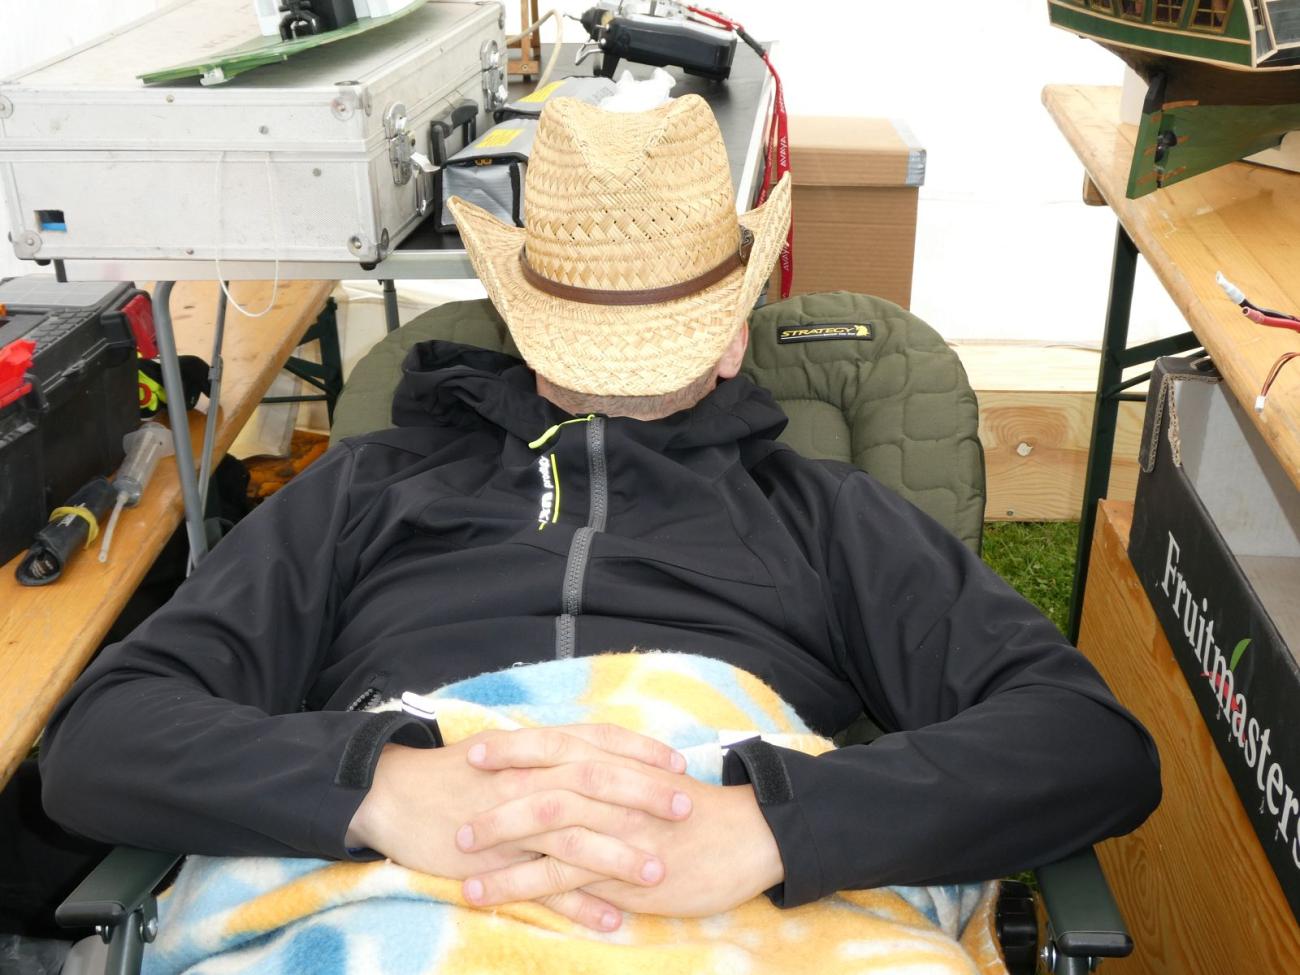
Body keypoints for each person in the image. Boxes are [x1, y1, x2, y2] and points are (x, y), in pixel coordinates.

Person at [39, 95, 1160, 935]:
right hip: (400, 897)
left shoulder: (822, 514)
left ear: (734, 338)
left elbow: (1087, 743)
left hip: (733, 896)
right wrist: (378, 785)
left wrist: (774, 824)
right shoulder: (368, 486)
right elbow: (101, 738)